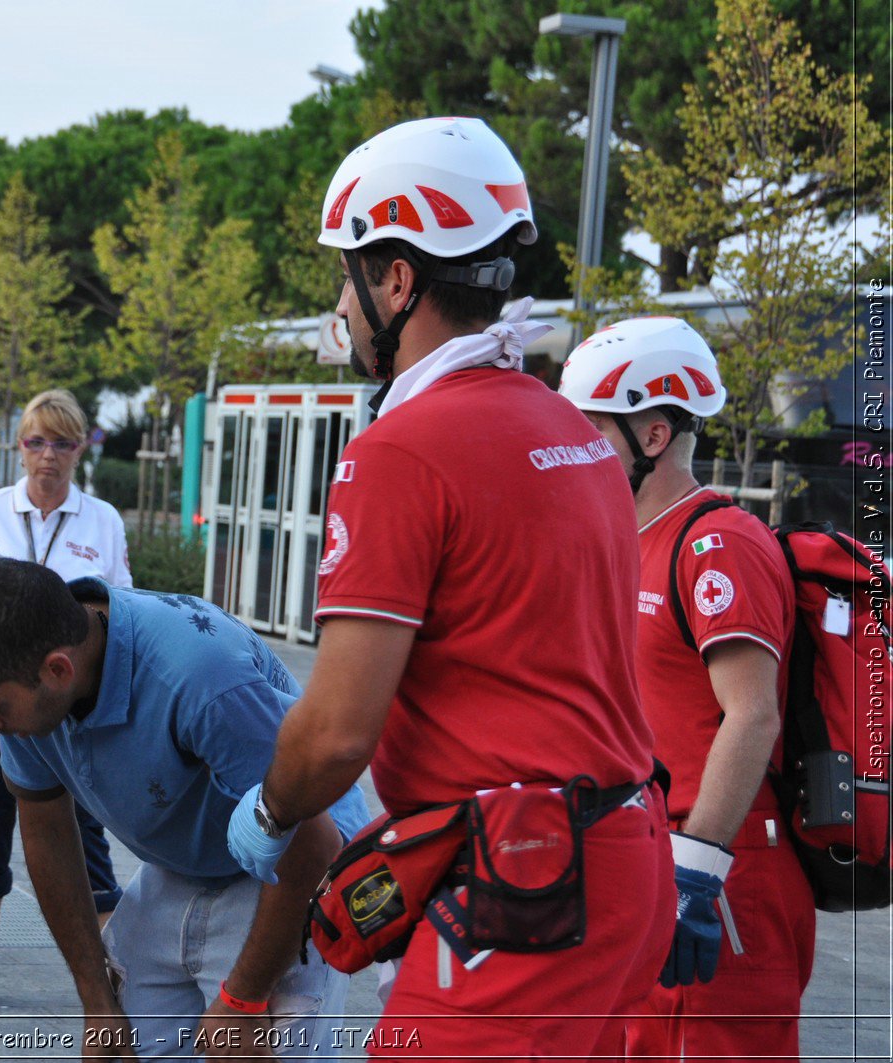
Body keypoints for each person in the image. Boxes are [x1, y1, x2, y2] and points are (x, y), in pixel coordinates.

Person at [224, 117, 676, 1060]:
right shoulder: (571, 430)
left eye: (345, 275)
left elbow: (338, 729)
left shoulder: (399, 451)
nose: (339, 308)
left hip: (525, 888)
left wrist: (270, 811)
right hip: (625, 861)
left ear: (396, 278)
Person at [0, 558, 368, 1061]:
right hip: (187, 858)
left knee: (250, 1047)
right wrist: (96, 1002)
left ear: (58, 670)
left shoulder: (198, 676)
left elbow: (314, 845)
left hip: (294, 862)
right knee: (122, 1045)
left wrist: (245, 997)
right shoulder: (26, 689)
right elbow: (46, 834)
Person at [559, 317, 814, 1060]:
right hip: (649, 864)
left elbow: (752, 714)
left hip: (720, 871)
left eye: (590, 429)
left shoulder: (718, 543)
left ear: (655, 435)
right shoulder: (626, 540)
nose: (573, 447)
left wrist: (694, 874)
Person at [0, 389, 131, 1002]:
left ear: (81, 450)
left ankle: (112, 965)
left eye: (63, 442)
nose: (48, 456)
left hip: (63, 706)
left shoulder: (101, 519)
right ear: (18, 447)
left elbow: (120, 608)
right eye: (36, 441)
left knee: (84, 830)